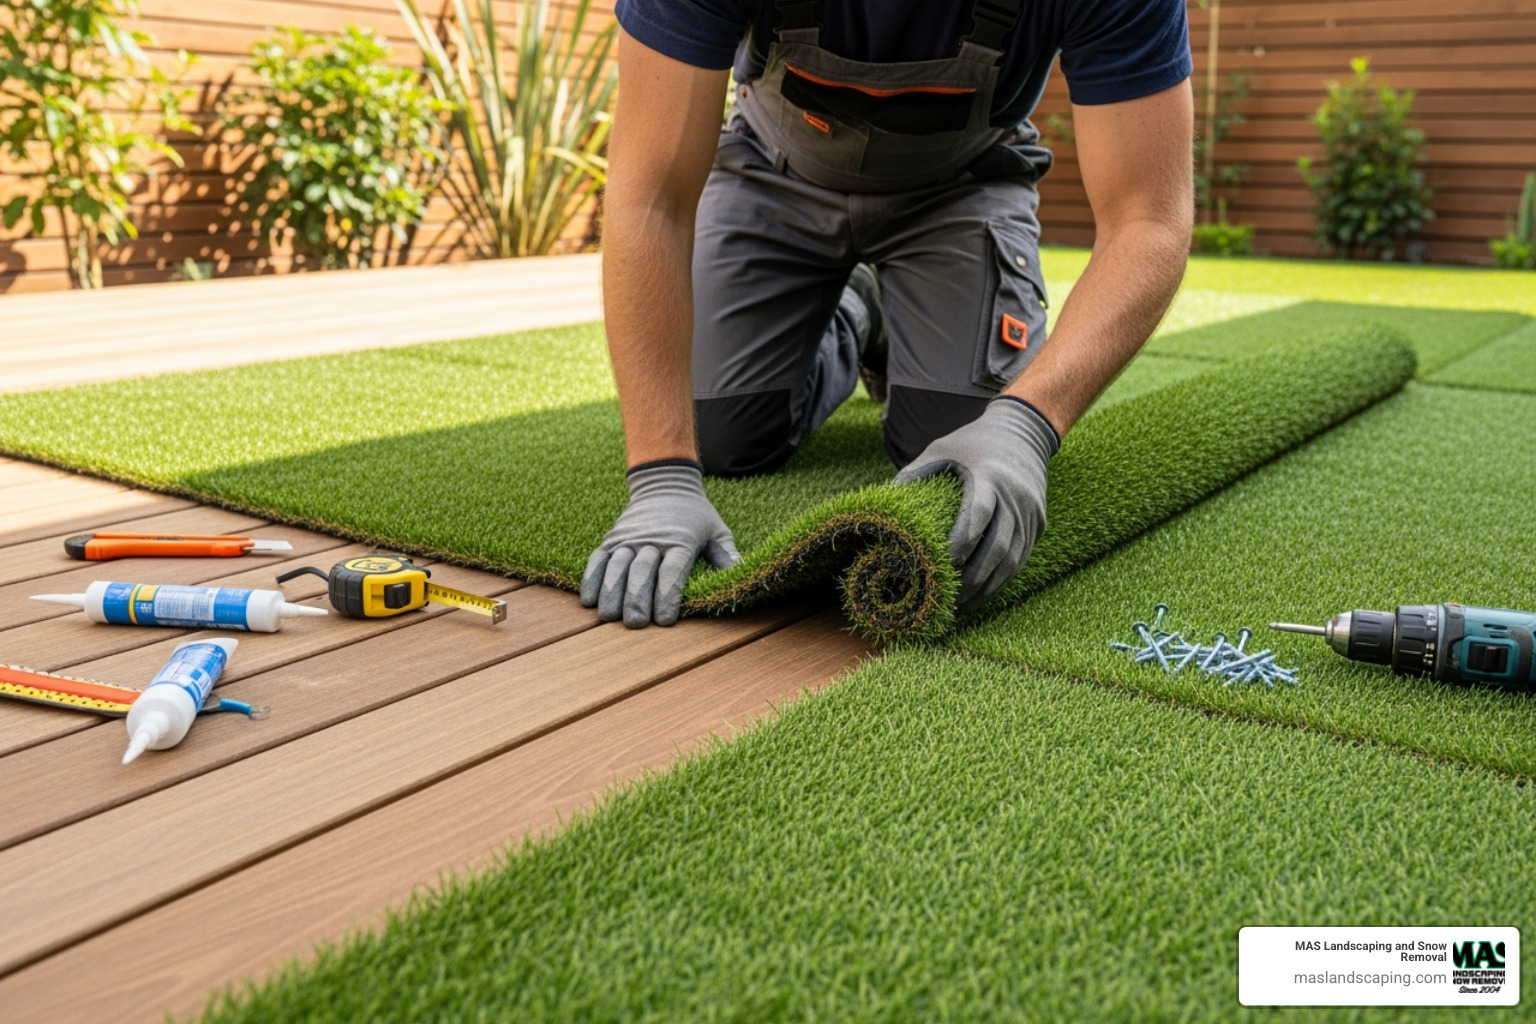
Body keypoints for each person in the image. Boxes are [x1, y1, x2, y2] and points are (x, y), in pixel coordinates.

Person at [582, 0, 1194, 628]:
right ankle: (859, 314)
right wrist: (661, 475)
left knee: (954, 454)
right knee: (718, 434)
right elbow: (649, 198)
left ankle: (901, 319)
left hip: (959, 187)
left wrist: (1026, 425)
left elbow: (1148, 221)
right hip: (774, 170)